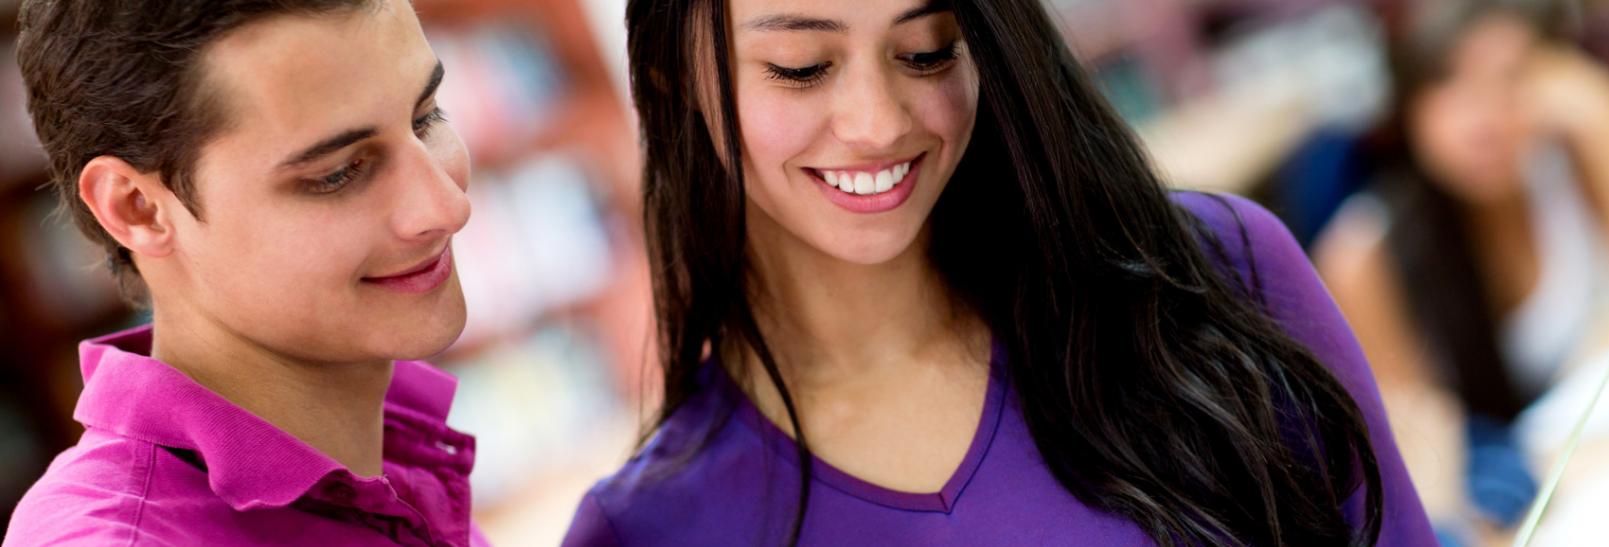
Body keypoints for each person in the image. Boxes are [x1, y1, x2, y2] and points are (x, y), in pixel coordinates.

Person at [565, 0, 1434, 545]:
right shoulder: (647, 527)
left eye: (928, 50)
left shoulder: (1218, 274)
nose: (876, 123)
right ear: (672, 74)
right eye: (802, 67)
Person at [5, 1, 485, 544]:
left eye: (426, 117)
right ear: (137, 207)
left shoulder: (381, 450)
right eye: (338, 173)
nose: (448, 208)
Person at [1314, 0, 1609, 542]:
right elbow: (1425, 480)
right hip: (1528, 510)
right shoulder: (1366, 257)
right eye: (1449, 84)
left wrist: (1604, 116)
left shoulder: (1571, 163)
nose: (1481, 116)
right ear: (1410, 105)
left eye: (1508, 80)